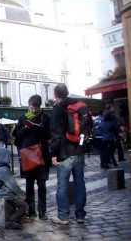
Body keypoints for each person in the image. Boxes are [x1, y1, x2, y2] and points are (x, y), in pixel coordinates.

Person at [50, 84, 86, 225]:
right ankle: (80, 215)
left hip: (64, 153)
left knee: (62, 184)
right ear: (68, 93)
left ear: (55, 94)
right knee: (80, 183)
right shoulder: (78, 105)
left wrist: (53, 154)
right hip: (79, 151)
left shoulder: (57, 109)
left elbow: (55, 134)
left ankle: (63, 216)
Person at [13, 95, 51, 220]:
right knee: (29, 185)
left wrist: (38, 128)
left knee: (42, 185)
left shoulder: (45, 118)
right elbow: (17, 136)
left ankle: (42, 212)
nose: (33, 110)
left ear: (39, 107)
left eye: (35, 108)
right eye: (31, 107)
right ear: (28, 105)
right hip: (27, 156)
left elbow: (49, 135)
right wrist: (26, 127)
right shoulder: (22, 118)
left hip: (41, 155)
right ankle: (32, 210)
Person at [0, 147, 28, 230]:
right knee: (24, 206)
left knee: (15, 203)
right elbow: (13, 186)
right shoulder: (3, 170)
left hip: (2, 193)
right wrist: (22, 195)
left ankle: (14, 219)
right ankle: (12, 221)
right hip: (5, 194)